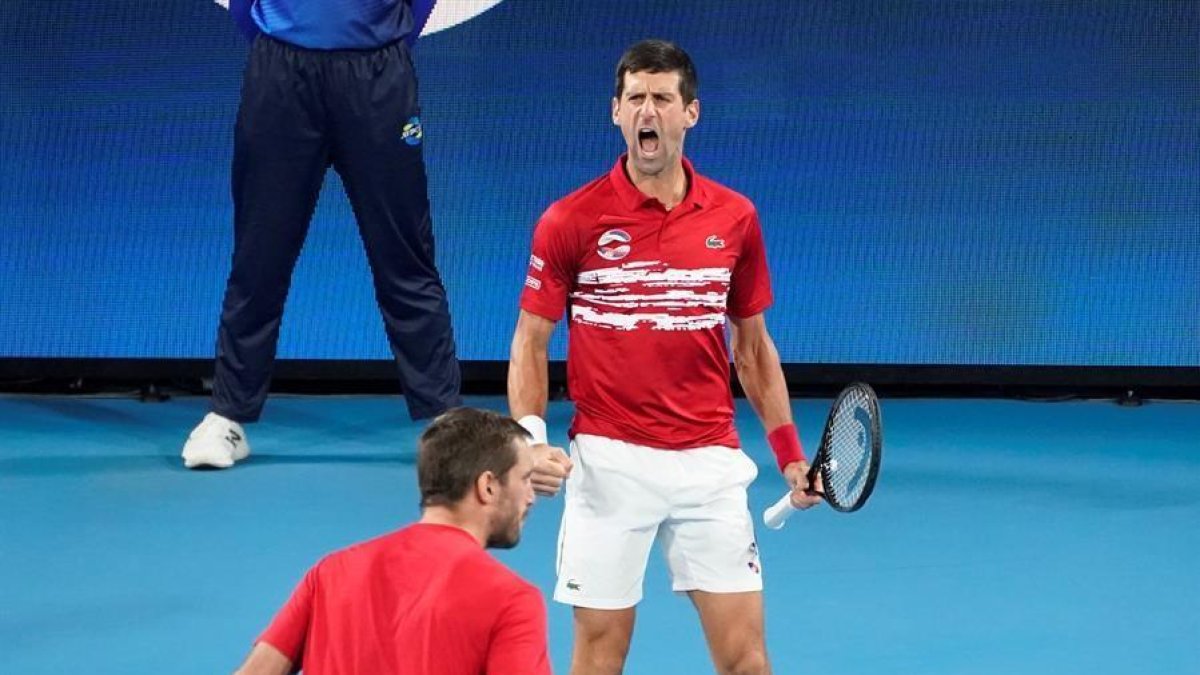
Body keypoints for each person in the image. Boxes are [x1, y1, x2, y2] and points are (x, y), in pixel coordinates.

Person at [507, 39, 823, 675]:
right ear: (616, 113)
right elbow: (530, 340)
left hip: (709, 463)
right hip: (608, 464)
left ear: (690, 113)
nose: (647, 111)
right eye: (635, 99)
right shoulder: (569, 220)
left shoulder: (735, 218)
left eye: (662, 98)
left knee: (747, 661)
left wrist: (789, 454)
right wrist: (532, 438)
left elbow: (754, 347)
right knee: (599, 658)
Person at [182, 0, 460, 469]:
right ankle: (228, 415)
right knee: (259, 256)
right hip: (281, 76)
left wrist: (377, 43)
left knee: (405, 257)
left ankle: (446, 422)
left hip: (377, 79)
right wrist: (286, 45)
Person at [233, 407, 551, 675]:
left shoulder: (331, 572)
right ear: (488, 486)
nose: (531, 497)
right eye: (524, 479)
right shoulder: (512, 600)